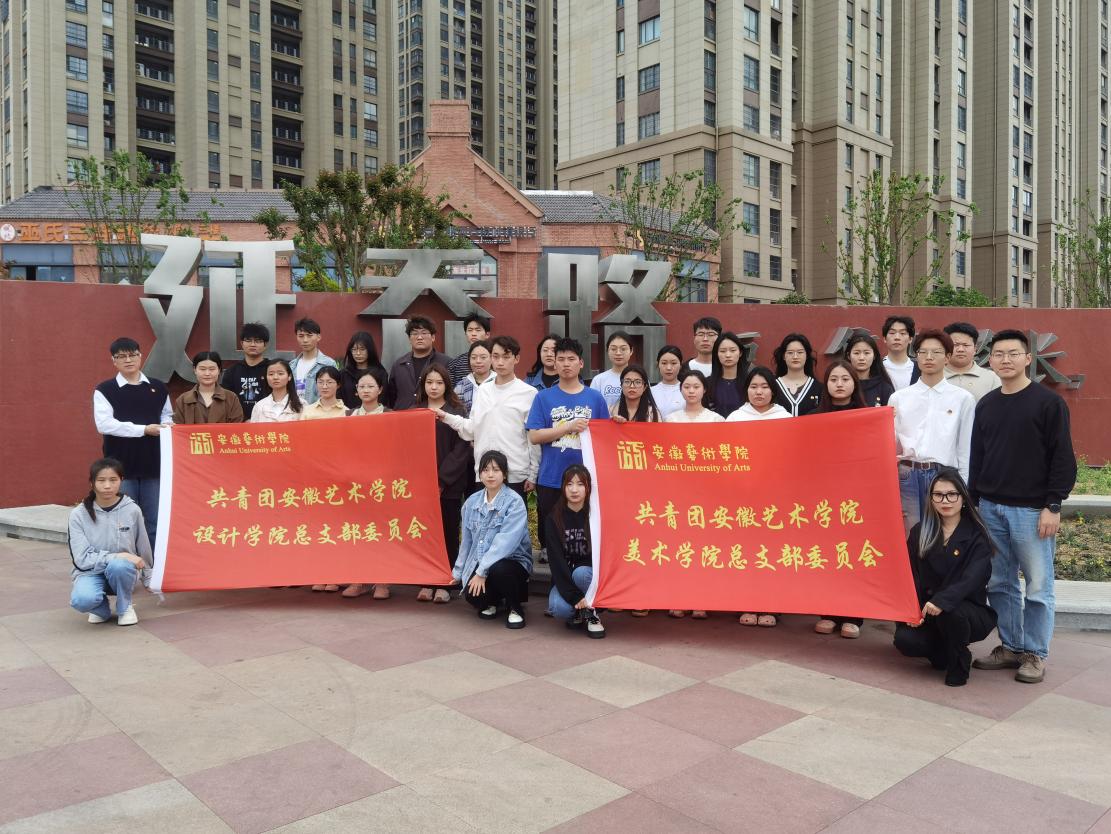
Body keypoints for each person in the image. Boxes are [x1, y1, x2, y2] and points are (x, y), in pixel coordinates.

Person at [970, 329, 1077, 685]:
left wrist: (1053, 504)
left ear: (1028, 359)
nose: (1006, 360)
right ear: (991, 360)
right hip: (991, 507)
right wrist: (974, 502)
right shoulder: (987, 404)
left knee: (1038, 586)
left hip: (1031, 511)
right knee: (1000, 583)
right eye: (999, 354)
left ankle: (1035, 652)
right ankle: (1011, 646)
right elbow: (978, 457)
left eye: (1013, 353)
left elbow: (1062, 457)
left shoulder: (1048, 403)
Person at [894, 468, 997, 687]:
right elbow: (910, 574)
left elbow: (973, 578)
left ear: (963, 498)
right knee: (906, 641)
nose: (945, 501)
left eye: (952, 494)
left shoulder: (977, 535)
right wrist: (912, 609)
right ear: (931, 499)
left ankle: (959, 661)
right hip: (928, 610)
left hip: (967, 610)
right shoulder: (920, 532)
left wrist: (942, 601)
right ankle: (942, 651)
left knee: (952, 613)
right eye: (938, 495)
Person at [526, 337, 610, 552]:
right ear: (554, 363)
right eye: (561, 359)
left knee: (584, 537)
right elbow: (534, 436)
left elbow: (606, 438)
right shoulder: (543, 397)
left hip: (586, 479)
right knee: (552, 536)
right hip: (552, 477)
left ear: (581, 363)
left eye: (571, 359)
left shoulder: (595, 398)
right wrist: (567, 427)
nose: (566, 364)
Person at [889, 329, 976, 535]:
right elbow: (891, 444)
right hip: (907, 475)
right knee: (909, 535)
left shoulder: (963, 398)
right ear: (916, 356)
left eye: (936, 352)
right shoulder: (899, 398)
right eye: (923, 352)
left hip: (944, 475)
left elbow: (964, 448)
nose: (929, 357)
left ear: (947, 357)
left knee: (942, 534)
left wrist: (963, 487)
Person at [437, 335, 539, 500]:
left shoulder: (528, 393)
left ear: (517, 359)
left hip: (514, 472)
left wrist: (533, 474)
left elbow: (532, 437)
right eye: (495, 356)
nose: (500, 362)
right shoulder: (483, 390)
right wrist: (446, 417)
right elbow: (472, 429)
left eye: (506, 357)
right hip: (485, 472)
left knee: (513, 516)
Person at [93, 337, 172, 546]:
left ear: (140, 356)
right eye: (122, 356)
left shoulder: (158, 387)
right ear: (114, 361)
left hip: (154, 465)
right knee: (123, 522)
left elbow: (166, 415)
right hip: (120, 468)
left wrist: (166, 425)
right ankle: (126, 562)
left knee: (155, 521)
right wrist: (144, 429)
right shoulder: (105, 390)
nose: (128, 360)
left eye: (132, 355)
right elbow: (105, 424)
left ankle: (153, 563)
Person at [811, 359, 868, 637]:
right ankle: (828, 612)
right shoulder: (814, 416)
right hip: (823, 497)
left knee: (853, 555)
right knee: (827, 555)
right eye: (834, 379)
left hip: (856, 496)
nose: (839, 384)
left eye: (845, 379)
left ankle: (853, 616)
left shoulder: (867, 417)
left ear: (854, 383)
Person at [455, 449, 534, 629]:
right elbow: (466, 542)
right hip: (483, 561)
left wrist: (481, 572)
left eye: (496, 470)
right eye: (486, 470)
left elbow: (505, 544)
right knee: (473, 595)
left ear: (504, 474)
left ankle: (515, 608)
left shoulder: (514, 502)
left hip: (513, 561)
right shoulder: (471, 502)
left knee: (500, 569)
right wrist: (458, 572)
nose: (490, 475)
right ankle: (494, 600)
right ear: (480, 474)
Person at [69, 458, 152, 626]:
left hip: (123, 572)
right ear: (92, 482)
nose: (107, 486)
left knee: (119, 565)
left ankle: (125, 607)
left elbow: (143, 546)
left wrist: (148, 577)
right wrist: (119, 555)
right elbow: (81, 558)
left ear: (121, 480)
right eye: (101, 480)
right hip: (90, 572)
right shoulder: (78, 514)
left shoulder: (132, 509)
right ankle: (100, 609)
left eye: (113, 480)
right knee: (81, 600)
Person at [415, 362, 473, 603]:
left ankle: (445, 582)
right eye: (429, 382)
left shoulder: (456, 411)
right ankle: (426, 580)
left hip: (448, 485)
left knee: (448, 532)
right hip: (420, 485)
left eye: (439, 383)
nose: (434, 387)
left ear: (447, 385)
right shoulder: (415, 411)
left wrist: (441, 480)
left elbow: (461, 450)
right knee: (424, 533)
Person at [342, 366, 393, 599]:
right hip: (355, 483)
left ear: (380, 389)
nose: (365, 390)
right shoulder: (348, 415)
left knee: (381, 531)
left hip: (381, 482)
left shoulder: (390, 415)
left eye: (370, 386)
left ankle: (383, 581)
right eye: (361, 386)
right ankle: (359, 579)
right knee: (358, 531)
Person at [546, 464, 605, 638]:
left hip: (589, 577)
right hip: (565, 577)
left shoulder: (596, 516)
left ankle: (592, 613)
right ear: (563, 487)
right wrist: (574, 596)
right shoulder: (553, 518)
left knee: (581, 574)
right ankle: (581, 610)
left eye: (580, 484)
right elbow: (556, 562)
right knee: (558, 608)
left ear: (588, 488)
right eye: (569, 484)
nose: (574, 490)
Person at [386, 316, 451, 410]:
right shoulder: (399, 365)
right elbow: (391, 397)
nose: (419, 337)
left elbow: (451, 394)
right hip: (402, 415)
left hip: (434, 416)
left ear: (433, 337)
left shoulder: (446, 362)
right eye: (415, 333)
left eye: (424, 333)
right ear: (409, 338)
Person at [173, 351, 245, 424]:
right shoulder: (183, 400)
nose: (207, 373)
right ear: (195, 370)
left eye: (212, 369)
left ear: (219, 370)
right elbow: (178, 428)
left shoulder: (231, 398)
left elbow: (236, 427)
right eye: (202, 369)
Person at [221, 322, 271, 419]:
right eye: (248, 340)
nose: (253, 344)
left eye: (258, 341)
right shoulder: (231, 372)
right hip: (238, 423)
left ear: (265, 345)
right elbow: (226, 402)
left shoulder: (272, 370)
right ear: (242, 343)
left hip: (267, 422)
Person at [943, 322, 1002, 401]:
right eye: (955, 345)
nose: (961, 349)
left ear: (975, 349)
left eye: (966, 345)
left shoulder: (992, 379)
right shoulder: (934, 377)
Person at [289, 318, 336, 405]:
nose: (305, 340)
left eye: (309, 335)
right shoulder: (291, 366)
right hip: (293, 411)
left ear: (318, 337)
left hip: (318, 412)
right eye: (301, 336)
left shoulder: (328, 364)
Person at [772, 333, 821, 416]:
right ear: (783, 356)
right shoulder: (772, 386)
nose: (795, 356)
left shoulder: (819, 388)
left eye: (800, 352)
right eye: (790, 352)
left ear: (807, 355)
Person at [845, 332, 895, 407]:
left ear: (874, 356)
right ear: (848, 356)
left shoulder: (884, 388)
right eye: (856, 353)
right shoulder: (841, 385)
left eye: (867, 353)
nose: (861, 358)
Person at [338, 331, 385, 409]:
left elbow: (384, 399)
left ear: (370, 350)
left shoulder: (380, 373)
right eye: (354, 349)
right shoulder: (343, 374)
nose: (358, 353)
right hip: (348, 414)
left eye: (362, 349)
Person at [708, 332, 749, 418]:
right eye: (722, 351)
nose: (728, 355)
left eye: (733, 350)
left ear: (740, 353)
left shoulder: (750, 382)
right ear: (716, 354)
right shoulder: (707, 383)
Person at [250, 359, 304, 423]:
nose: (275, 377)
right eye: (271, 374)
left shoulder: (302, 404)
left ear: (289, 376)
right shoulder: (259, 406)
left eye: (280, 374)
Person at [590, 331, 633, 409]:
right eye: (613, 349)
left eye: (623, 349)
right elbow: (592, 407)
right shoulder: (598, 380)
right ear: (607, 351)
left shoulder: (640, 378)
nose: (618, 353)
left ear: (631, 351)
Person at [448, 313, 492, 385]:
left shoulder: (497, 361)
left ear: (487, 334)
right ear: (465, 334)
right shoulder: (456, 364)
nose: (473, 334)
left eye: (478, 330)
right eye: (470, 330)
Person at [453, 340, 494, 412]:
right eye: (474, 357)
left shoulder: (499, 382)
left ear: (492, 359)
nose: (478, 361)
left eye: (483, 357)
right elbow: (456, 411)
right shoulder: (461, 386)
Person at [882, 315, 920, 391]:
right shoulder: (876, 368)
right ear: (884, 338)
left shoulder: (920, 369)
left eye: (902, 333)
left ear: (910, 339)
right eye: (892, 333)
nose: (897, 337)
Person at [651, 345, 685, 418]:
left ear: (680, 364)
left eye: (673, 363)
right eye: (664, 363)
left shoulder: (687, 391)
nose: (668, 368)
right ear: (658, 364)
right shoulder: (650, 391)